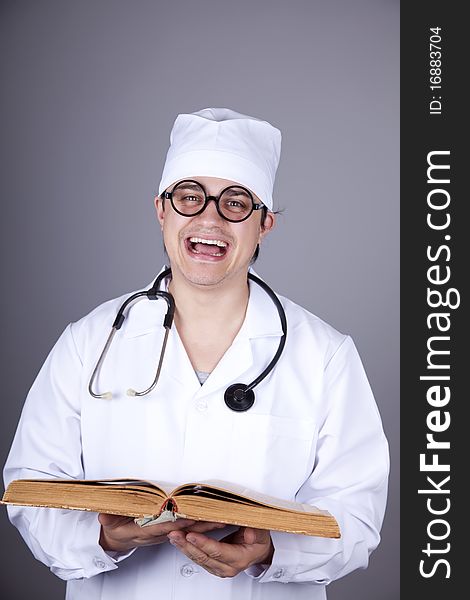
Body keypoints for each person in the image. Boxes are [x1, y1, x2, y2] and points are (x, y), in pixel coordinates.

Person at [3, 107, 389, 600]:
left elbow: (356, 517)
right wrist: (102, 537)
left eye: (235, 203)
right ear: (162, 210)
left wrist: (270, 549)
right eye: (189, 198)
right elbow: (31, 491)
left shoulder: (325, 355)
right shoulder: (87, 343)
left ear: (264, 224)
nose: (209, 219)